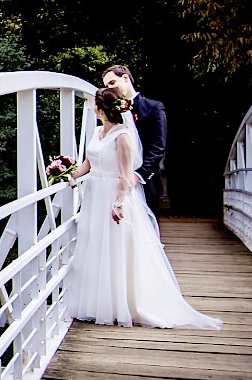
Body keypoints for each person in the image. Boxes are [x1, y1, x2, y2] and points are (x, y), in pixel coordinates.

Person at [65, 87, 221, 329]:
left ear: (102, 108)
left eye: (94, 104)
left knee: (118, 250)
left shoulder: (123, 136)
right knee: (96, 246)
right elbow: (89, 163)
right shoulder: (97, 132)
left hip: (114, 197)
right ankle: (99, 303)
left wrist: (118, 204)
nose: (91, 108)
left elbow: (126, 176)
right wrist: (66, 173)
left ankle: (122, 305)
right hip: (95, 196)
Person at [102, 65, 166, 221]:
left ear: (125, 78)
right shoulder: (110, 111)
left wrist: (138, 175)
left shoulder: (153, 107)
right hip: (114, 181)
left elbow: (158, 147)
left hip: (145, 180)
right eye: (106, 87)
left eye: (112, 83)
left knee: (147, 229)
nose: (109, 89)